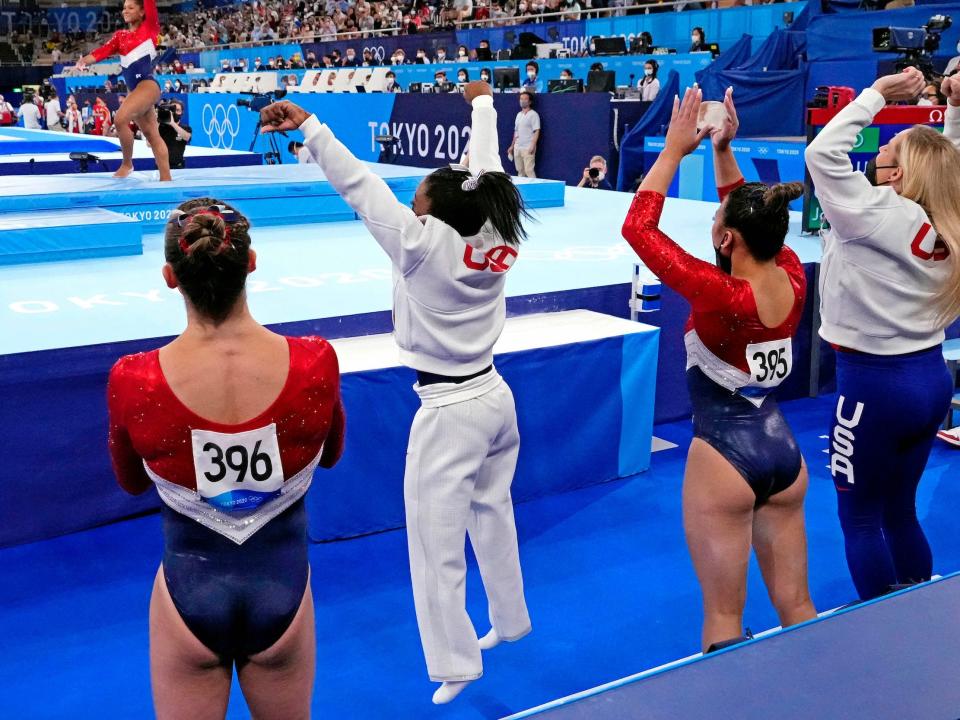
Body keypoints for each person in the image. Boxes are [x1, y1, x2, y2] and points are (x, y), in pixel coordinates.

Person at [259, 80, 532, 705]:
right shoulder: (497, 230)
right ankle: (510, 618)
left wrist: (311, 126)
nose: (409, 205)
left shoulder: (418, 245)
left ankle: (455, 662)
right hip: (495, 396)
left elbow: (360, 187)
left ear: (431, 214)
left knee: (434, 544)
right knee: (493, 512)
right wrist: (483, 106)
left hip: (449, 410)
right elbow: (485, 169)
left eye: (416, 199)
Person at [107, 197, 345, 718]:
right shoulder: (315, 361)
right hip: (282, 583)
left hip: (189, 588)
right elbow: (331, 456)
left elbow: (129, 482)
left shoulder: (134, 378)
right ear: (251, 263)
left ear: (171, 276)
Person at [623, 87, 815, 652]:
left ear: (726, 238)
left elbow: (639, 229)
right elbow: (750, 213)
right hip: (784, 452)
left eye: (715, 219)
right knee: (799, 605)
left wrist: (674, 151)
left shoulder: (722, 294)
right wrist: (723, 150)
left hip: (724, 458)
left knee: (724, 622)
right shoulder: (794, 273)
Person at [804, 68, 960, 601]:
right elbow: (949, 165)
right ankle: (917, 607)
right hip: (929, 378)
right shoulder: (949, 217)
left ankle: (877, 626)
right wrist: (953, 111)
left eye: (885, 150)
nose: (874, 156)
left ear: (896, 175)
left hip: (872, 386)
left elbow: (821, 155)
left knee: (861, 520)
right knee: (899, 511)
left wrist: (876, 96)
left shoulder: (874, 214)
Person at [74, 0, 172, 180]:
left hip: (148, 85)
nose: (125, 11)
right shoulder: (120, 36)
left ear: (142, 12)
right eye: (124, 7)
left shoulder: (150, 27)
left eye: (130, 7)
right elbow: (100, 52)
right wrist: (83, 61)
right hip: (135, 91)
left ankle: (127, 164)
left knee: (120, 120)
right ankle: (166, 180)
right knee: (152, 135)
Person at [507, 91, 539, 178]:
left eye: (525, 99)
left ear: (530, 102)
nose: (522, 101)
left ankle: (535, 190)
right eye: (521, 99)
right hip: (517, 147)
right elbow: (516, 132)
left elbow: (536, 131)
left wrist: (532, 145)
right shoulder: (518, 115)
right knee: (520, 171)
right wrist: (512, 146)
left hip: (528, 147)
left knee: (529, 170)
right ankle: (521, 191)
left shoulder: (534, 115)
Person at [157, 100, 191, 170]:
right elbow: (149, 144)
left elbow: (187, 137)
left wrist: (172, 123)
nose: (175, 112)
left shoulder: (186, 128)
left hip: (178, 167)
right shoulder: (160, 128)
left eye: (178, 110)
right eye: (173, 110)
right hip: (161, 167)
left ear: (182, 112)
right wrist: (157, 122)